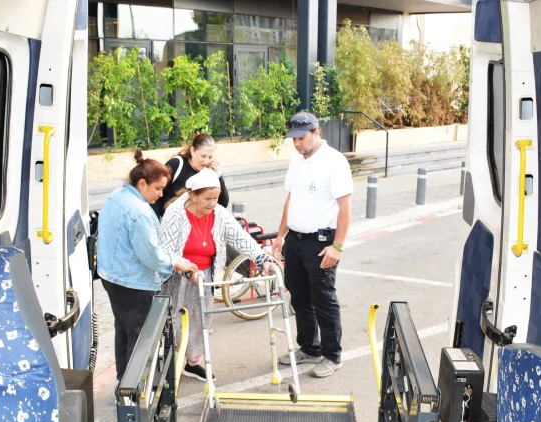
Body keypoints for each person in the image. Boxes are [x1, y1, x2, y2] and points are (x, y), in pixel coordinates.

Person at [159, 168, 274, 381]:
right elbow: (166, 252)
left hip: (206, 276)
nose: (213, 203)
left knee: (201, 321)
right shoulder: (175, 213)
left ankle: (193, 364)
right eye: (207, 199)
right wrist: (187, 271)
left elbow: (241, 238)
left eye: (216, 198)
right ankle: (166, 366)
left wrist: (261, 259)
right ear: (193, 195)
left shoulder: (218, 213)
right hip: (176, 277)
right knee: (173, 323)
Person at [97, 150, 198, 379]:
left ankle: (123, 383)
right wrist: (175, 263)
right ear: (142, 183)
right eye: (158, 188)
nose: (161, 194)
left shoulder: (116, 196)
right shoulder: (140, 211)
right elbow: (150, 255)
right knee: (140, 339)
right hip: (133, 282)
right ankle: (132, 391)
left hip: (112, 277)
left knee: (124, 332)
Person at [271, 112, 353, 378]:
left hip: (320, 242)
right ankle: (309, 348)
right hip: (295, 240)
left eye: (301, 137)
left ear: (317, 132)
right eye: (293, 138)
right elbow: (289, 201)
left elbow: (345, 206)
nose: (296, 143)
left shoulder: (334, 162)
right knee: (299, 297)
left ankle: (332, 355)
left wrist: (337, 247)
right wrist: (281, 235)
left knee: (324, 299)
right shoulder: (297, 162)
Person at [151, 134, 230, 219]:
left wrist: (218, 176)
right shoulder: (176, 164)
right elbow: (156, 195)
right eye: (203, 156)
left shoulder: (208, 173)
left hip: (194, 225)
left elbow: (223, 203)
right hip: (169, 221)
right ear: (192, 151)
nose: (206, 161)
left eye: (210, 157)